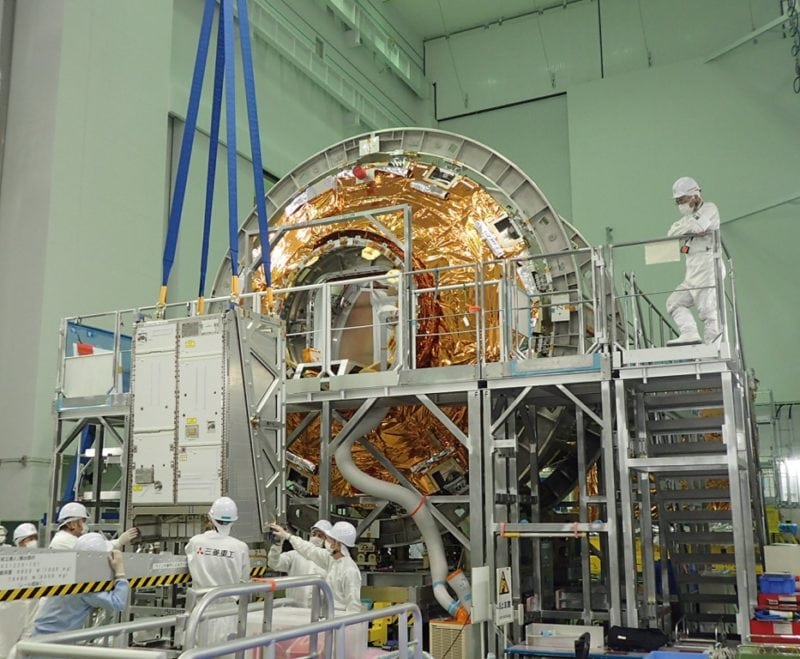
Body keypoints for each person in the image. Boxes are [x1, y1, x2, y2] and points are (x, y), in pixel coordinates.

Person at [184, 497, 251, 649]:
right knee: (226, 652)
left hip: (201, 609)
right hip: (229, 612)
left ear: (210, 518)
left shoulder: (196, 542)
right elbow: (245, 580)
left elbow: (189, 558)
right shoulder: (240, 547)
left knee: (198, 652)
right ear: (233, 521)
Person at [31, 532, 129, 635]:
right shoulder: (86, 586)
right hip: (52, 638)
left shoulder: (71, 572)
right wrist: (120, 573)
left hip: (42, 634)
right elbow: (117, 603)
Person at [666, 176, 722, 346]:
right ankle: (689, 333)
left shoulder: (710, 209)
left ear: (695, 196)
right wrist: (691, 226)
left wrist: (690, 228)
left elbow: (699, 227)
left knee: (708, 312)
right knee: (674, 303)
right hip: (692, 272)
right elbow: (671, 233)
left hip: (707, 268)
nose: (680, 205)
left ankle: (712, 349)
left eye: (682, 200)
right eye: (677, 202)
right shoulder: (688, 218)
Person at [270, 521, 362, 613]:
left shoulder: (349, 570)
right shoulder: (331, 560)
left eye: (329, 539)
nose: (326, 541)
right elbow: (310, 550)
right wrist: (287, 536)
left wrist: (347, 622)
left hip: (339, 617)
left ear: (338, 544)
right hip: (326, 615)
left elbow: (353, 606)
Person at [267, 520, 331, 607]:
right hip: (294, 608)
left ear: (327, 540)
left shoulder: (328, 559)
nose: (316, 537)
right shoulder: (295, 555)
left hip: (318, 609)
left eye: (320, 536)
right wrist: (277, 545)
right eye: (314, 534)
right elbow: (274, 563)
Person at [0, 524, 41, 657]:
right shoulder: (9, 562)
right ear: (20, 542)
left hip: (29, 618)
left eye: (35, 538)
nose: (34, 542)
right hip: (8, 620)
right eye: (30, 539)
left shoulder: (41, 563)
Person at [50, 502, 139, 550]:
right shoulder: (65, 540)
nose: (85, 525)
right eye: (83, 521)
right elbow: (97, 551)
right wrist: (119, 542)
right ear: (73, 524)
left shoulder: (65, 537)